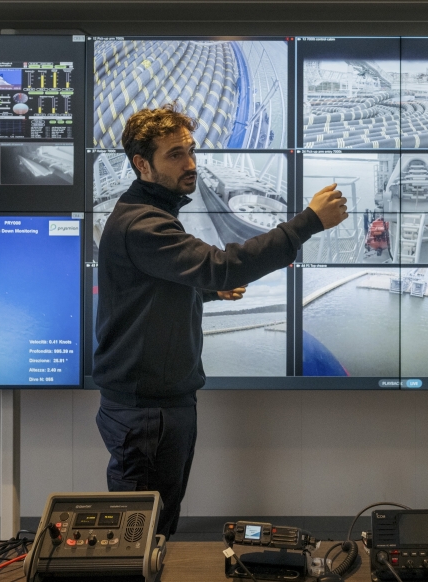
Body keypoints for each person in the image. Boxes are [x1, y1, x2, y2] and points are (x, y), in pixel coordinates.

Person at [92, 104, 348, 537]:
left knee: (157, 528)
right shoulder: (143, 224)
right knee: (138, 537)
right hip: (145, 413)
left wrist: (208, 291)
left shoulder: (150, 212)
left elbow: (153, 289)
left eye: (191, 151)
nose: (190, 164)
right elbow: (222, 264)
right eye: (175, 155)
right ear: (142, 164)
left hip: (159, 405)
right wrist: (307, 223)